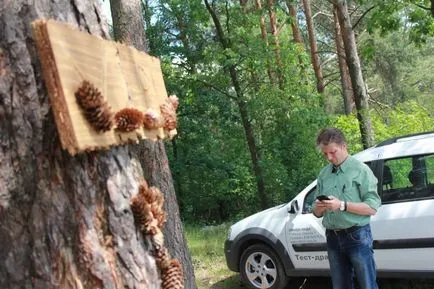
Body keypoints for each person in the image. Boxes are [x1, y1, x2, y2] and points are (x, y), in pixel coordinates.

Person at [312, 128, 381, 289]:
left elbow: (372, 207)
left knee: (367, 285)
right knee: (340, 286)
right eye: (325, 154)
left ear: (344, 146)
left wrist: (341, 205)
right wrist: (319, 208)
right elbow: (315, 213)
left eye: (332, 152)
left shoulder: (361, 170)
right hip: (333, 238)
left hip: (357, 236)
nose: (329, 157)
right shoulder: (324, 174)